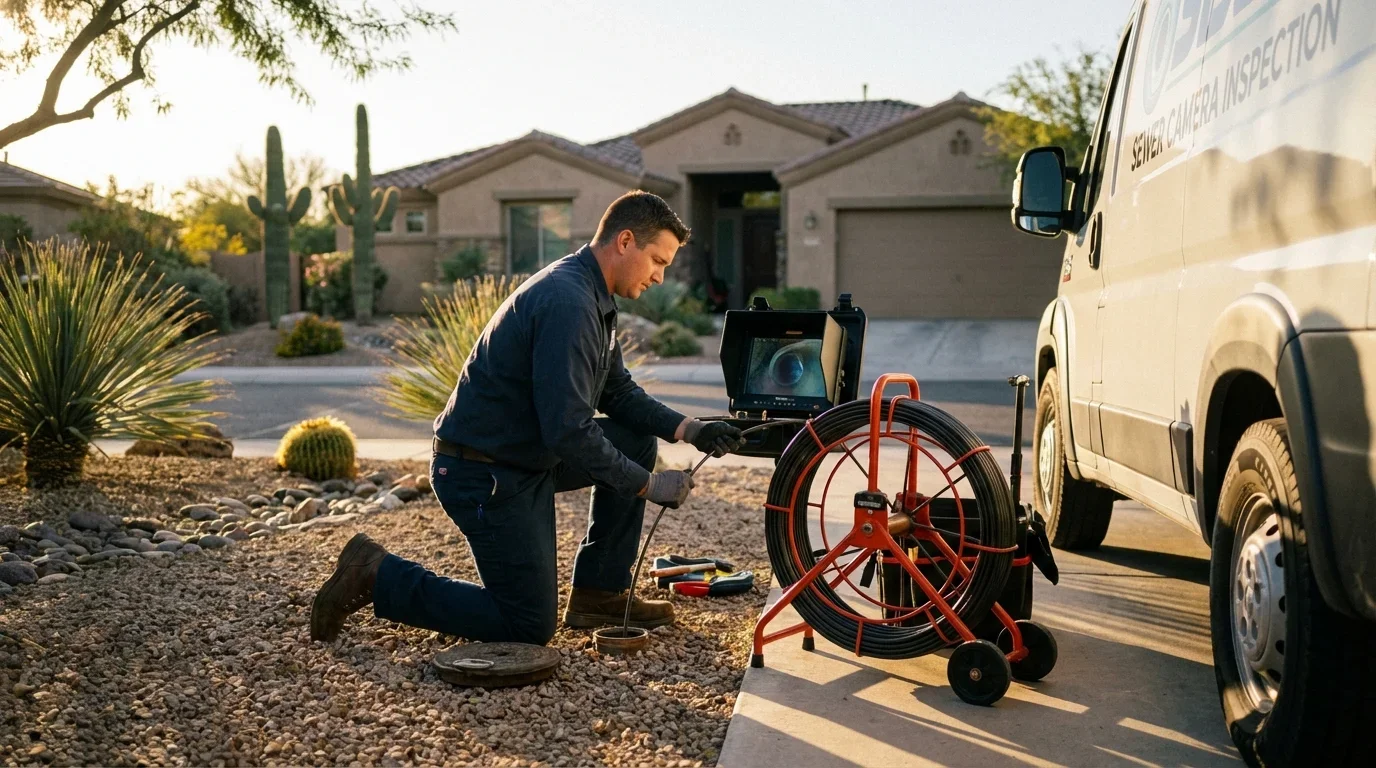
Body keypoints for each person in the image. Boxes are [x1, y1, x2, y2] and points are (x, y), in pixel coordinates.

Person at [310, 190, 746, 646]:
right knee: (526, 625)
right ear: (625, 241)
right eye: (658, 260)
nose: (660, 277)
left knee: (635, 440)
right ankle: (376, 574)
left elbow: (617, 392)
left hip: (525, 455)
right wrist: (650, 485)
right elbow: (569, 431)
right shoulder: (568, 303)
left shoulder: (596, 297)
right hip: (483, 473)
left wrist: (691, 429)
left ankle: (598, 594)